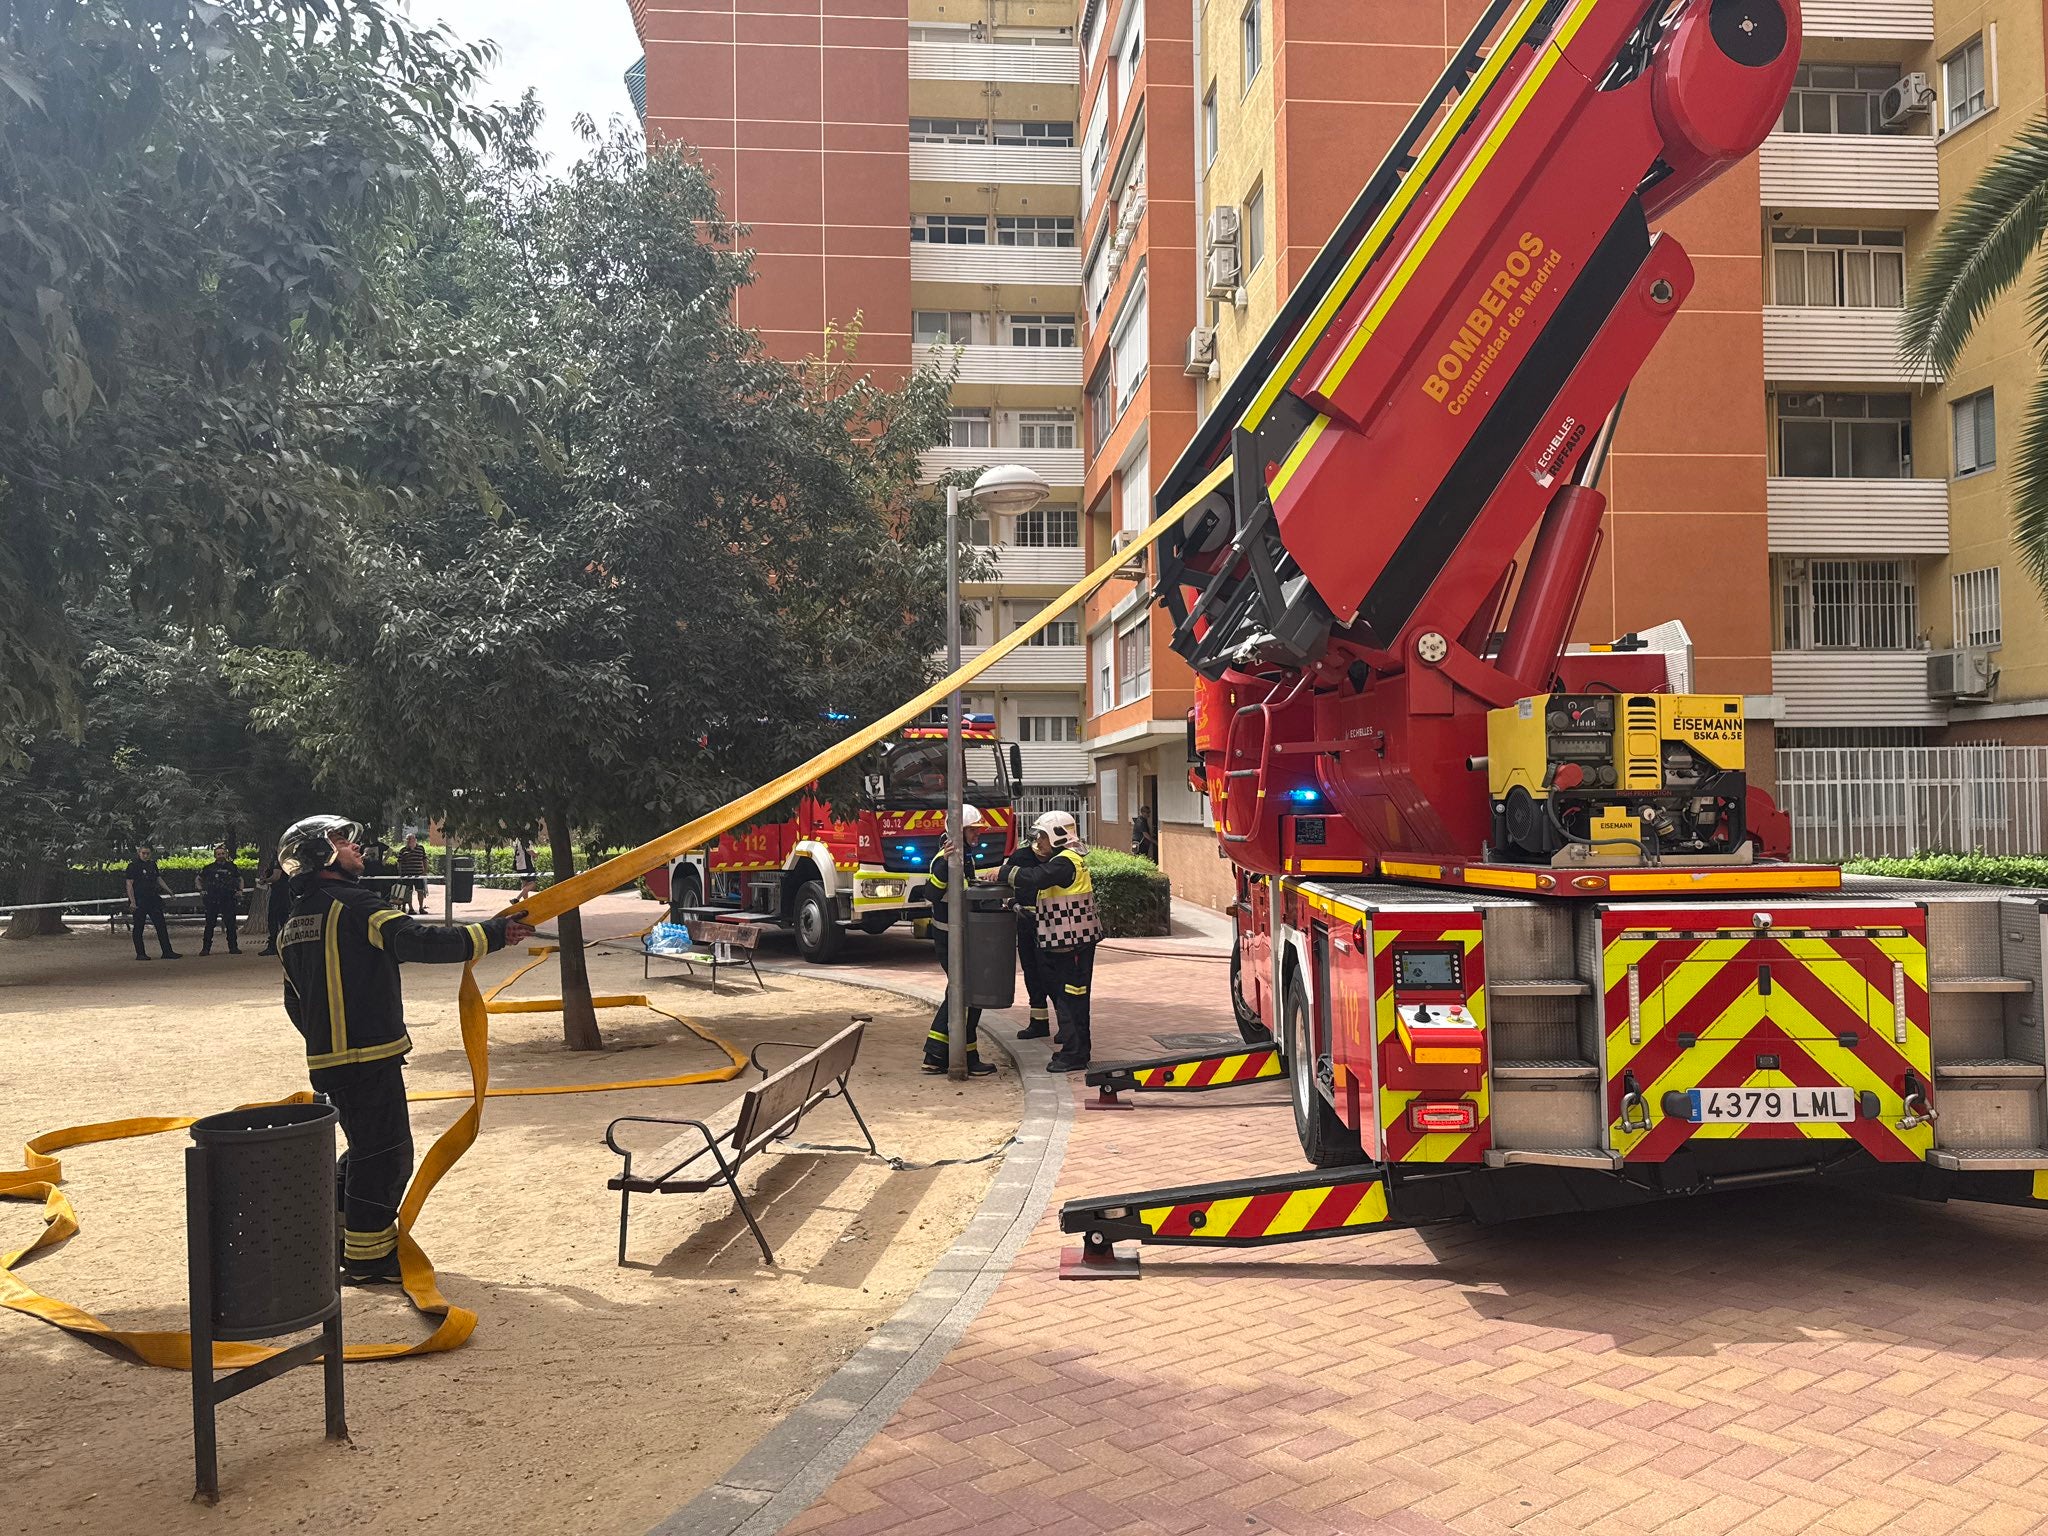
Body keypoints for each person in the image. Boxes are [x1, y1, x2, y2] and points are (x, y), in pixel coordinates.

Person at [275, 813, 532, 1285]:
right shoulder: (353, 905)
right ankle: (368, 1261)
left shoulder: (293, 923)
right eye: (341, 841)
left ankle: (336, 1237)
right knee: (386, 1156)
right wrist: (494, 934)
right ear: (319, 854)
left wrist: (326, 1041)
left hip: (330, 1060)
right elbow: (414, 940)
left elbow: (294, 1002)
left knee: (365, 1149)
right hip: (366, 1056)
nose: (356, 847)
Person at [1005, 810, 1103, 1072]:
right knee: (1069, 997)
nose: (1039, 843)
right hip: (1069, 943)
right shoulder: (1067, 859)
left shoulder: (1064, 862)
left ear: (1057, 836)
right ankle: (1074, 1050)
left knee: (1072, 999)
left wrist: (1003, 872)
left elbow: (1035, 877)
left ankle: (1074, 1055)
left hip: (1074, 944)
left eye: (1043, 837)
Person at [917, 804, 997, 1078]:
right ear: (958, 830)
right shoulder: (945, 860)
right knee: (962, 993)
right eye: (973, 830)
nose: (978, 834)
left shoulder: (964, 857)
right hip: (949, 937)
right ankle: (936, 1054)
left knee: (968, 994)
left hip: (961, 934)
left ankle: (964, 1055)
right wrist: (946, 867)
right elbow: (931, 893)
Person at [1000, 836, 1052, 1041]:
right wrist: (1014, 905)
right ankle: (1039, 1022)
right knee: (1031, 972)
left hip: (1053, 926)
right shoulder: (1020, 857)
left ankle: (1067, 1027)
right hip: (1026, 924)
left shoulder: (1060, 859)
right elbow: (1004, 886)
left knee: (1052, 974)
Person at [124, 844, 181, 961]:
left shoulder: (152, 865)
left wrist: (169, 891)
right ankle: (140, 953)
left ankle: (167, 951)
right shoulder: (133, 866)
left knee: (161, 925)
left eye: (148, 853)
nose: (145, 855)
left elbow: (158, 879)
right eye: (143, 853)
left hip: (153, 899)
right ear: (139, 853)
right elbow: (129, 884)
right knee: (139, 926)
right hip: (139, 899)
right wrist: (132, 901)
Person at [198, 843, 243, 955]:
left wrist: (240, 890)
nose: (221, 856)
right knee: (210, 924)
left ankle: (233, 947)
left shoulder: (232, 867)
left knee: (231, 924)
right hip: (212, 899)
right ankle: (205, 949)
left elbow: (240, 879)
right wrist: (201, 890)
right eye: (218, 854)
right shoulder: (209, 868)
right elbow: (198, 879)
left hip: (228, 898)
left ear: (226, 854)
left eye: (223, 853)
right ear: (215, 856)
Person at [258, 856, 291, 955]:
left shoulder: (278, 859)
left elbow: (276, 876)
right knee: (283, 918)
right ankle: (286, 945)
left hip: (279, 892)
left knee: (273, 918)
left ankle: (273, 946)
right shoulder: (286, 858)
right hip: (285, 892)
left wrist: (265, 880)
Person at [395, 832, 430, 914]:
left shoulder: (420, 848)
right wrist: (400, 874)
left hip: (419, 874)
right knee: (408, 892)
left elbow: (424, 859)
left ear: (415, 840)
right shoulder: (403, 850)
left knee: (420, 891)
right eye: (407, 839)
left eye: (410, 839)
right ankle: (411, 908)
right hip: (407, 875)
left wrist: (425, 871)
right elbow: (399, 863)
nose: (408, 841)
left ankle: (421, 908)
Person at [511, 835, 538, 902]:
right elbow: (529, 851)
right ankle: (517, 898)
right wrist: (535, 854)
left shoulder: (515, 840)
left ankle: (525, 902)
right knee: (532, 884)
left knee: (524, 883)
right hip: (527, 865)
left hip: (519, 865)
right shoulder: (525, 839)